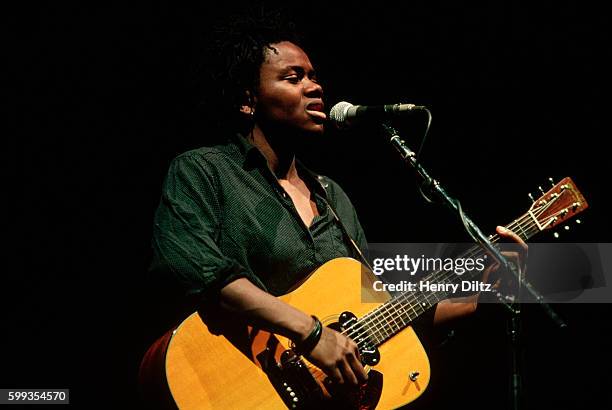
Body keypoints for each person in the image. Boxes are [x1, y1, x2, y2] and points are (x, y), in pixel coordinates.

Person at [145, 8, 526, 406]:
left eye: (313, 76)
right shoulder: (205, 170)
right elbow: (192, 266)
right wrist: (310, 333)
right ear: (247, 101)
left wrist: (487, 290)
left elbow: (384, 313)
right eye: (294, 78)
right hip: (226, 383)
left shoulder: (332, 196)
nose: (314, 87)